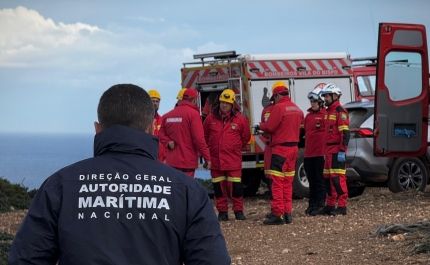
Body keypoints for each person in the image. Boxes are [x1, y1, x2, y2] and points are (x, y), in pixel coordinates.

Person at [8, 84, 230, 265]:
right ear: (153, 128)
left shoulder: (60, 186)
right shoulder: (187, 191)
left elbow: (26, 258)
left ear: (97, 129)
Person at [259, 81, 304, 225]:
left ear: (278, 95)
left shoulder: (278, 108)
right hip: (294, 149)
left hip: (280, 149)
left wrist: (261, 126)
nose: (274, 100)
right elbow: (301, 128)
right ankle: (287, 213)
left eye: (274, 97)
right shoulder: (297, 109)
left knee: (277, 182)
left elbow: (270, 127)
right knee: (287, 182)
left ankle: (277, 214)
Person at [203, 89, 251, 221]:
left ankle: (238, 211)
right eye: (222, 102)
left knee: (236, 188)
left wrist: (234, 147)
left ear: (232, 105)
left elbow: (246, 137)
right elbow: (205, 137)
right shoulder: (210, 119)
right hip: (216, 160)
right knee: (218, 189)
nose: (224, 105)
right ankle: (222, 212)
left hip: (233, 160)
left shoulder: (240, 120)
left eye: (227, 103)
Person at [159, 88, 211, 178]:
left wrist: (167, 142)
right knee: (187, 189)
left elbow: (160, 135)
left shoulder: (167, 116)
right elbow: (199, 139)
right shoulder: (193, 115)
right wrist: (207, 158)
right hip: (187, 162)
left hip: (172, 162)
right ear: (194, 100)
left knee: (174, 189)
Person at [315, 83, 350, 216]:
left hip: (336, 150)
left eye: (327, 96)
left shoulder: (340, 112)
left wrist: (342, 150)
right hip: (328, 151)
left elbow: (345, 134)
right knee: (328, 179)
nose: (325, 99)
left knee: (338, 179)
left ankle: (342, 206)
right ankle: (330, 205)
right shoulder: (328, 112)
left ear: (335, 96)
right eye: (324, 96)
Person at [303, 84, 327, 216]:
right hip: (309, 154)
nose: (313, 104)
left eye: (315, 102)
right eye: (311, 102)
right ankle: (312, 203)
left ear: (321, 103)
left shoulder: (325, 115)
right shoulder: (308, 117)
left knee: (320, 179)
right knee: (311, 180)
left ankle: (320, 204)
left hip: (320, 153)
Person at [148, 89, 167, 163]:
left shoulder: (162, 120)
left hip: (161, 160)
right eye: (153, 101)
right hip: (149, 157)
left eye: (157, 101)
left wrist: (166, 158)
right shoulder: (143, 120)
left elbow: (165, 139)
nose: (155, 103)